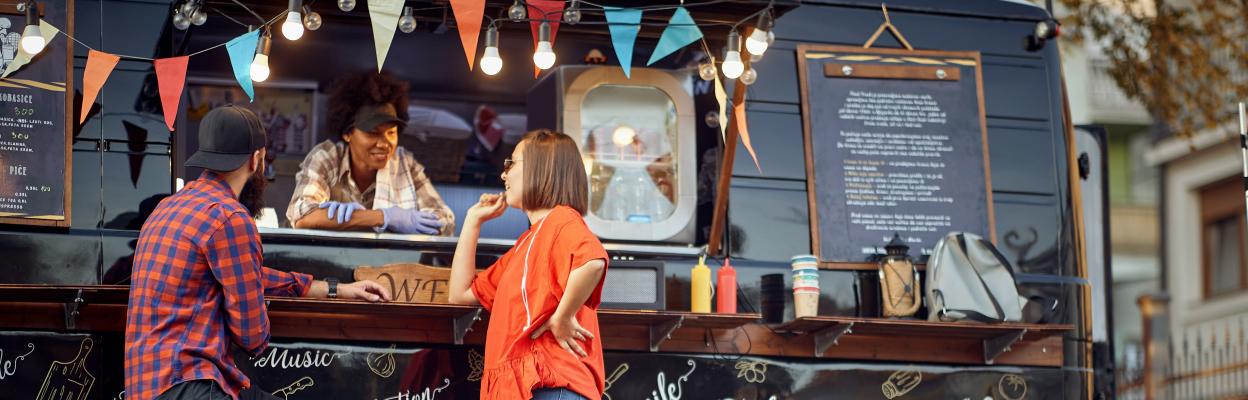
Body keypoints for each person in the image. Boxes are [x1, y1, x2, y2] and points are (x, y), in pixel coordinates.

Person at [125, 105, 393, 400]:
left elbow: (245, 275)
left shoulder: (168, 207)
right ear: (256, 159)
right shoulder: (230, 217)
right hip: (191, 384)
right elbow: (252, 337)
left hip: (147, 386)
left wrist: (336, 289)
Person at [448, 130, 609, 400]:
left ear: (541, 167)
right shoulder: (525, 245)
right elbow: (459, 295)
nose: (504, 175)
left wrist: (563, 317)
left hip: (552, 386)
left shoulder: (561, 219)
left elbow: (593, 261)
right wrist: (472, 221)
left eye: (511, 163)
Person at [287, 71, 455, 235]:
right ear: (347, 134)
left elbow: (445, 221)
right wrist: (384, 217)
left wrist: (417, 220)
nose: (384, 144)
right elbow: (302, 216)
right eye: (373, 133)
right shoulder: (327, 158)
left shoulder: (405, 164)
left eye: (391, 133)